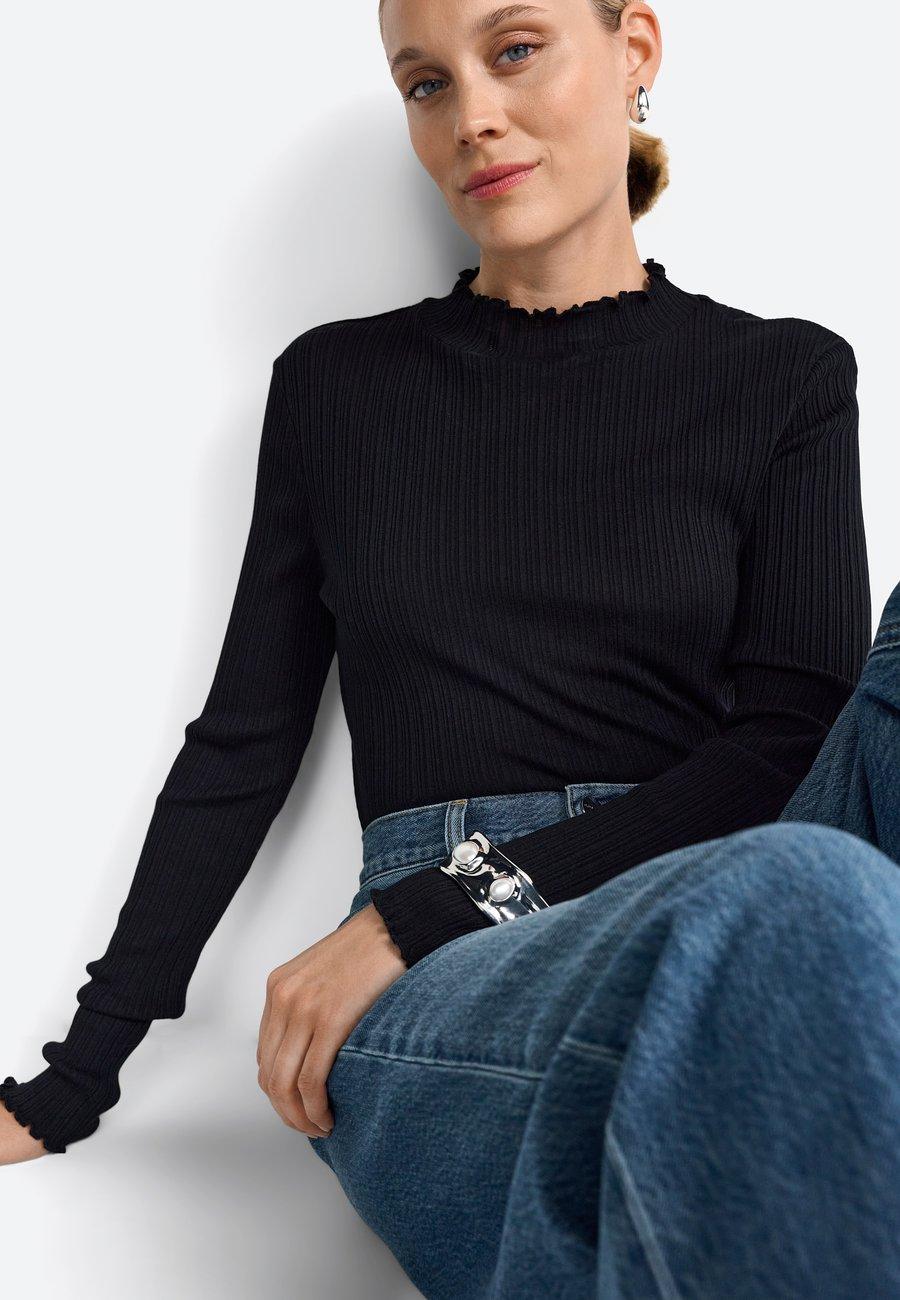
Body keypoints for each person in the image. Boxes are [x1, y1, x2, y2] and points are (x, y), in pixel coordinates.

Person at [3, 0, 898, 1294]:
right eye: (425, 83)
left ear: (636, 53)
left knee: (799, 890)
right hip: (465, 965)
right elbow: (244, 742)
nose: (470, 114)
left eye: (514, 49)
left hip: (719, 868)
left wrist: (435, 905)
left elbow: (789, 745)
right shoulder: (340, 388)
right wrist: (76, 1078)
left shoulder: (787, 375)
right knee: (799, 916)